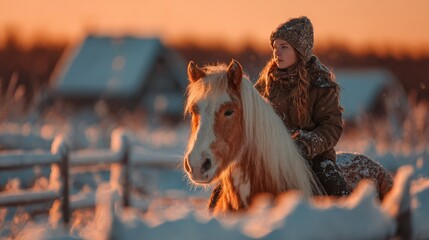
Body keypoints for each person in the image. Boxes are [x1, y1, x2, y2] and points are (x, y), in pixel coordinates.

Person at [254, 16, 350, 196]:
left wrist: (306, 144)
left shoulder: (320, 84)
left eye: (284, 47)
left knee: (334, 187)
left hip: (314, 158)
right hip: (271, 156)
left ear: (300, 51)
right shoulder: (266, 82)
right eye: (275, 47)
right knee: (227, 186)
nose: (277, 53)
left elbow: (332, 127)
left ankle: (346, 217)